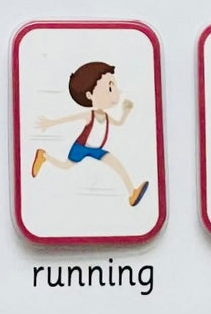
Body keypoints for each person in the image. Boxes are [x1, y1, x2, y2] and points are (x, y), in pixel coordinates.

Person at [32, 61, 150, 207]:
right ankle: (44, 156)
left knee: (116, 164)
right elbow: (70, 119)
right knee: (65, 166)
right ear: (89, 95)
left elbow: (119, 123)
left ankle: (132, 192)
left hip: (96, 150)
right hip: (81, 148)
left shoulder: (106, 116)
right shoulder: (90, 115)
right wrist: (51, 123)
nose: (115, 93)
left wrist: (126, 112)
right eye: (109, 88)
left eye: (114, 87)